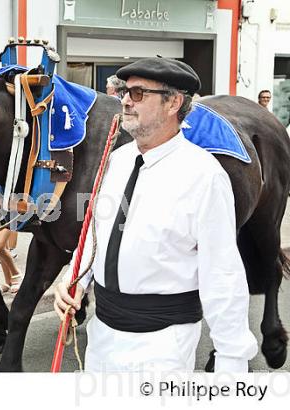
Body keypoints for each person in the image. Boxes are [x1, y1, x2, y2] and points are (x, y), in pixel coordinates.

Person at [54, 57, 258, 372]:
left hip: (163, 349)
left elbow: (223, 275)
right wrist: (74, 278)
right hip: (101, 338)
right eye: (124, 91)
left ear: (173, 102)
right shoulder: (117, 160)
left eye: (137, 93)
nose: (124, 100)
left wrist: (231, 362)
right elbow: (96, 233)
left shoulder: (204, 176)